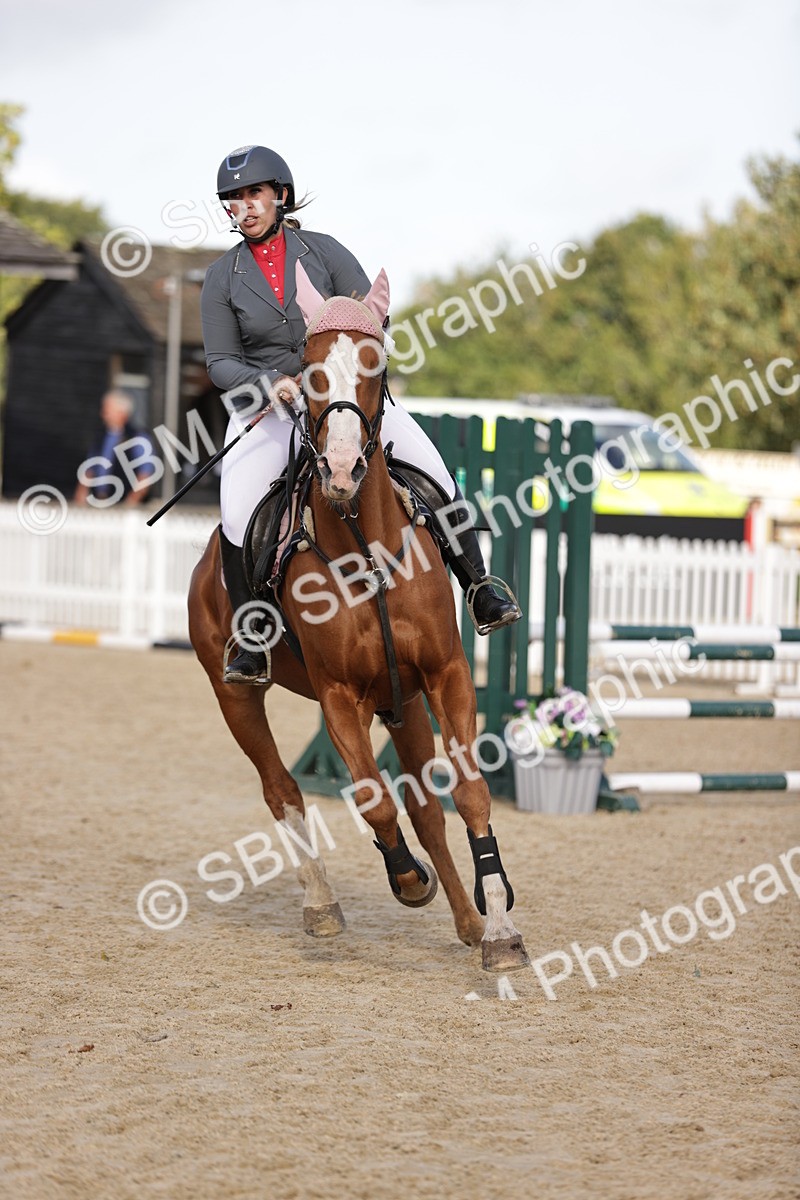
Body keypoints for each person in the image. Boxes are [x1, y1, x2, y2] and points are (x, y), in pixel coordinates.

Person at [201, 144, 521, 684]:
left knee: (435, 472)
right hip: (271, 409)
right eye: (234, 199)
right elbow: (219, 362)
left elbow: (370, 320)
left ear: (280, 195)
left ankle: (479, 585)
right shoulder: (221, 276)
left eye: (254, 193)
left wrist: (351, 368)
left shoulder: (324, 252)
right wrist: (270, 383)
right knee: (237, 514)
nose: (246, 206)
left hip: (346, 399)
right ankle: (253, 639)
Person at [73, 389, 155, 507]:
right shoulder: (101, 436)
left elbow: (145, 474)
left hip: (124, 504)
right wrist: (81, 492)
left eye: (107, 410)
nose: (103, 414)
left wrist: (131, 501)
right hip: (98, 502)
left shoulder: (138, 438)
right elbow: (90, 467)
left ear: (121, 412)